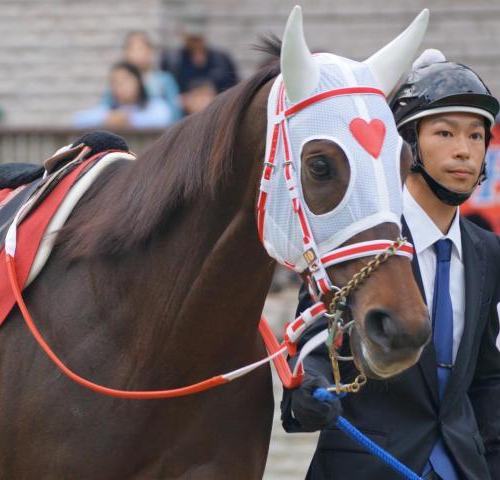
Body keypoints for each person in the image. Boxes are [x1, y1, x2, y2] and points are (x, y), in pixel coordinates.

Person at [280, 49, 500, 480]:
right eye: (445, 133)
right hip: (365, 467)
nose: (464, 151)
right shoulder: (359, 238)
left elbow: (487, 378)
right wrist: (309, 384)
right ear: (406, 145)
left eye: (477, 136)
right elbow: (314, 335)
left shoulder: (488, 251)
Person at [161, 16, 238, 114]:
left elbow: (234, 86)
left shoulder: (222, 59)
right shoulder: (172, 60)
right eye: (192, 38)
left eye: (198, 37)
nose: (196, 42)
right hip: (183, 114)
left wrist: (213, 100)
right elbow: (166, 90)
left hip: (219, 111)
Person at [71, 61, 173, 130]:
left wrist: (130, 120)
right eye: (115, 82)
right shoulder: (110, 110)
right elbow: (78, 120)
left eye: (125, 80)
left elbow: (163, 118)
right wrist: (107, 118)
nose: (120, 85)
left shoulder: (154, 105)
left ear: (138, 81)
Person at [116, 31, 182, 121]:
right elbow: (107, 110)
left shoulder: (165, 80)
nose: (137, 54)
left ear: (150, 51)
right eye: (132, 49)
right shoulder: (118, 81)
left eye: (140, 48)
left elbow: (175, 114)